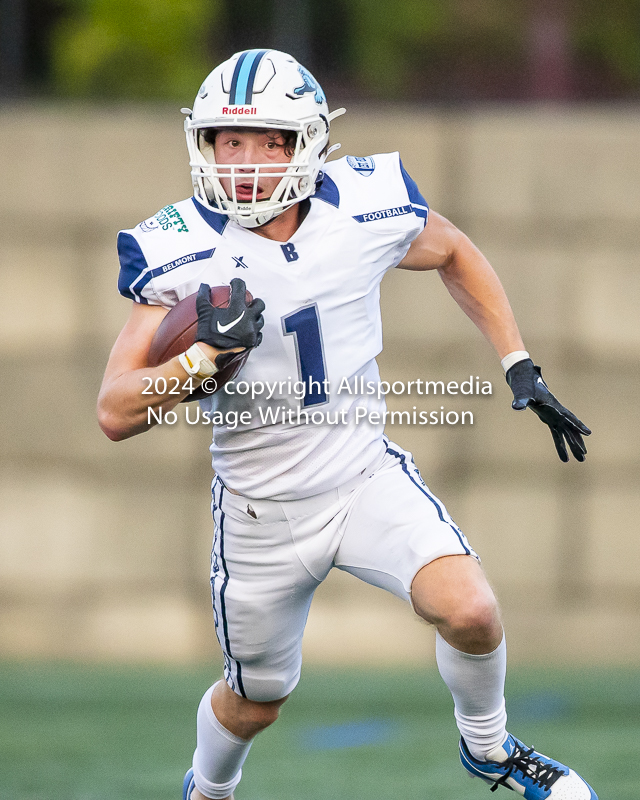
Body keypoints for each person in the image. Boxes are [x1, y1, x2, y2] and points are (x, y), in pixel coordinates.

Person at [98, 49, 596, 800]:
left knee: (472, 611)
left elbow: (454, 250)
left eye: (265, 140)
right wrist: (203, 356)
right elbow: (115, 408)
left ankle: (490, 749)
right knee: (257, 699)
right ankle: (209, 791)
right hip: (260, 511)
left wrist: (517, 361)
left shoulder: (363, 202)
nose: (242, 162)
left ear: (305, 143)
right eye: (227, 142)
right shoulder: (177, 245)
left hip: (363, 475)